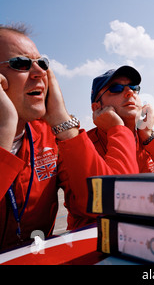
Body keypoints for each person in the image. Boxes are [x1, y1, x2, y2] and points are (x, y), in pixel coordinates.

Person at [0, 24, 110, 249]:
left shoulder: (48, 135)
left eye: (42, 63)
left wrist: (63, 123)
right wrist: (5, 128)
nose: (39, 72)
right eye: (20, 63)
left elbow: (101, 205)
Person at [64, 66, 154, 228]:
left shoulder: (147, 138)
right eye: (116, 89)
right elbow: (103, 206)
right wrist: (117, 128)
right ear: (96, 108)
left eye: (134, 88)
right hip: (97, 239)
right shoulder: (81, 145)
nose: (129, 93)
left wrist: (150, 136)